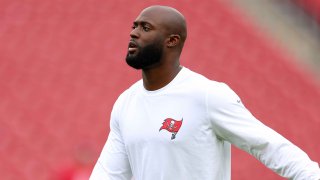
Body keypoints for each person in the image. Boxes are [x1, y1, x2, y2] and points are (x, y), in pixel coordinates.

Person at [90, 5, 320, 180]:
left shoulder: (207, 95)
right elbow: (109, 174)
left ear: (172, 40)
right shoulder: (126, 103)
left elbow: (267, 145)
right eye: (134, 26)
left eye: (145, 28)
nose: (133, 33)